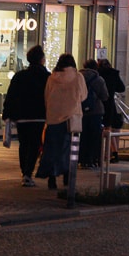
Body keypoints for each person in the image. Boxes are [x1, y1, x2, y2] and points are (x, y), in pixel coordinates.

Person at [35, 53, 87, 190]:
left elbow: (47, 95)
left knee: (52, 149)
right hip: (71, 118)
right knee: (70, 149)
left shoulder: (52, 77)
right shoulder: (78, 77)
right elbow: (83, 95)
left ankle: (51, 178)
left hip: (53, 117)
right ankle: (67, 177)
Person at [1, 44, 49, 187]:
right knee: (34, 144)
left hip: (22, 116)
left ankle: (25, 172)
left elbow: (11, 96)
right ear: (41, 59)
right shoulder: (46, 77)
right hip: (39, 116)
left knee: (24, 144)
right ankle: (28, 173)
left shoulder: (20, 76)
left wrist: (7, 113)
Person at [78, 60, 109, 169]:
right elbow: (105, 96)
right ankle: (91, 160)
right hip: (95, 111)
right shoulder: (98, 79)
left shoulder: (78, 78)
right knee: (94, 136)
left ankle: (81, 159)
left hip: (80, 111)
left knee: (82, 136)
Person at [97, 57, 125, 163]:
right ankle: (114, 153)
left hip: (99, 103)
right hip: (110, 104)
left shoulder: (98, 75)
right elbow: (121, 88)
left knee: (101, 129)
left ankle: (102, 153)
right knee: (109, 128)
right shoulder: (114, 74)